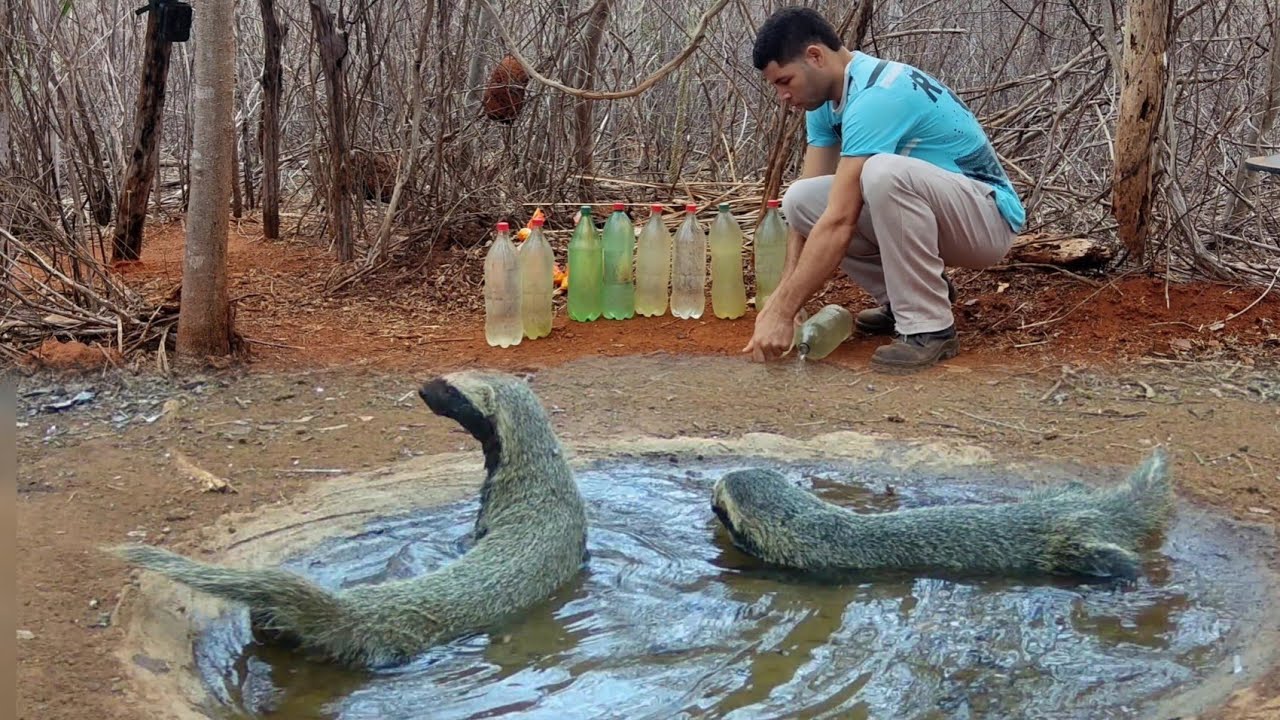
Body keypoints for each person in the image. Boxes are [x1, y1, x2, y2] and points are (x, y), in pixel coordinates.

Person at [742, 7, 1026, 372]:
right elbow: (810, 214)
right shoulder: (825, 103)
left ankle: (930, 328)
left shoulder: (879, 94)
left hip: (987, 220)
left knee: (881, 174)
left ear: (815, 56)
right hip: (942, 209)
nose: (782, 94)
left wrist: (781, 311)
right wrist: (788, 302)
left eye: (784, 80)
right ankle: (902, 300)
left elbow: (841, 220)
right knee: (800, 199)